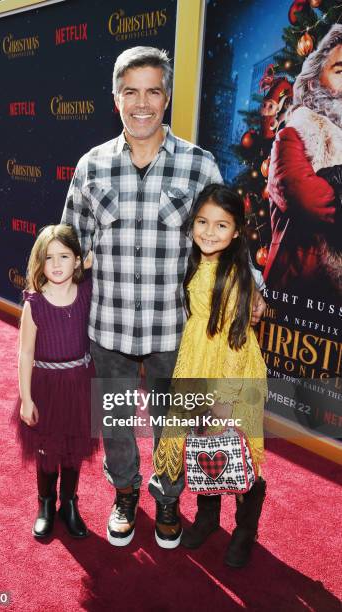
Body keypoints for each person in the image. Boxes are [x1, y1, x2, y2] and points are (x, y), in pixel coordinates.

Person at [61, 46, 266, 548]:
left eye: (153, 90)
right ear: (116, 99)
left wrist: (254, 289)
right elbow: (69, 242)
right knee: (114, 420)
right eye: (131, 92)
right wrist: (44, 296)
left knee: (171, 423)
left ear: (167, 96)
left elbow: (229, 236)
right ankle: (126, 493)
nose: (142, 103)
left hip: (173, 330)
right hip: (108, 326)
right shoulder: (91, 167)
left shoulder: (199, 166)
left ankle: (169, 497)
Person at [154, 184, 267, 567]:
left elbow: (236, 344)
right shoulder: (193, 259)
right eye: (202, 222)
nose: (208, 232)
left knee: (239, 449)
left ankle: (246, 530)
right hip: (197, 364)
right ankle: (207, 518)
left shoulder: (237, 275)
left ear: (237, 231)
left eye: (221, 225)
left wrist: (224, 399)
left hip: (232, 374)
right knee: (204, 445)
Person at [16, 224, 97, 539]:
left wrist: (87, 261)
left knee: (74, 447)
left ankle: (70, 503)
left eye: (65, 256)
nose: (57, 264)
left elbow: (100, 258)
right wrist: (26, 398)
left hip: (79, 383)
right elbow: (25, 354)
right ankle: (46, 504)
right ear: (40, 262)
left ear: (77, 260)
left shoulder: (87, 292)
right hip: (46, 387)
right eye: (49, 258)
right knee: (48, 450)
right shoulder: (34, 303)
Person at [264, 25, 342, 298]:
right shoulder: (294, 133)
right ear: (313, 81)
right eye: (340, 71)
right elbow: (306, 199)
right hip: (297, 290)